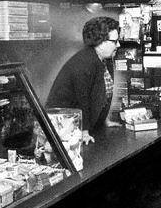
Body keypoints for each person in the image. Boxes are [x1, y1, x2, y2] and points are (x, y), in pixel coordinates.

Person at [47, 16, 122, 144]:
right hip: (63, 128)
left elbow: (101, 95)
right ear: (100, 41)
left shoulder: (105, 59)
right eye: (115, 41)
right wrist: (84, 132)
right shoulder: (84, 63)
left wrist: (104, 120)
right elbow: (83, 99)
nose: (118, 45)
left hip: (81, 126)